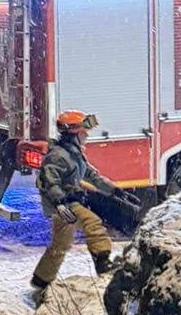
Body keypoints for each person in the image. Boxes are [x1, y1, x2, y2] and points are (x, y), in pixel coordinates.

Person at [31, 110, 123, 298]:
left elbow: (91, 175)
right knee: (93, 223)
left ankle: (41, 279)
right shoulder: (58, 155)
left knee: (60, 244)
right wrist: (60, 201)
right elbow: (50, 181)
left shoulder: (73, 154)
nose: (87, 135)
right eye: (83, 132)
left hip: (66, 202)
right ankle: (103, 262)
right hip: (63, 204)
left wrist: (112, 189)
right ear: (74, 134)